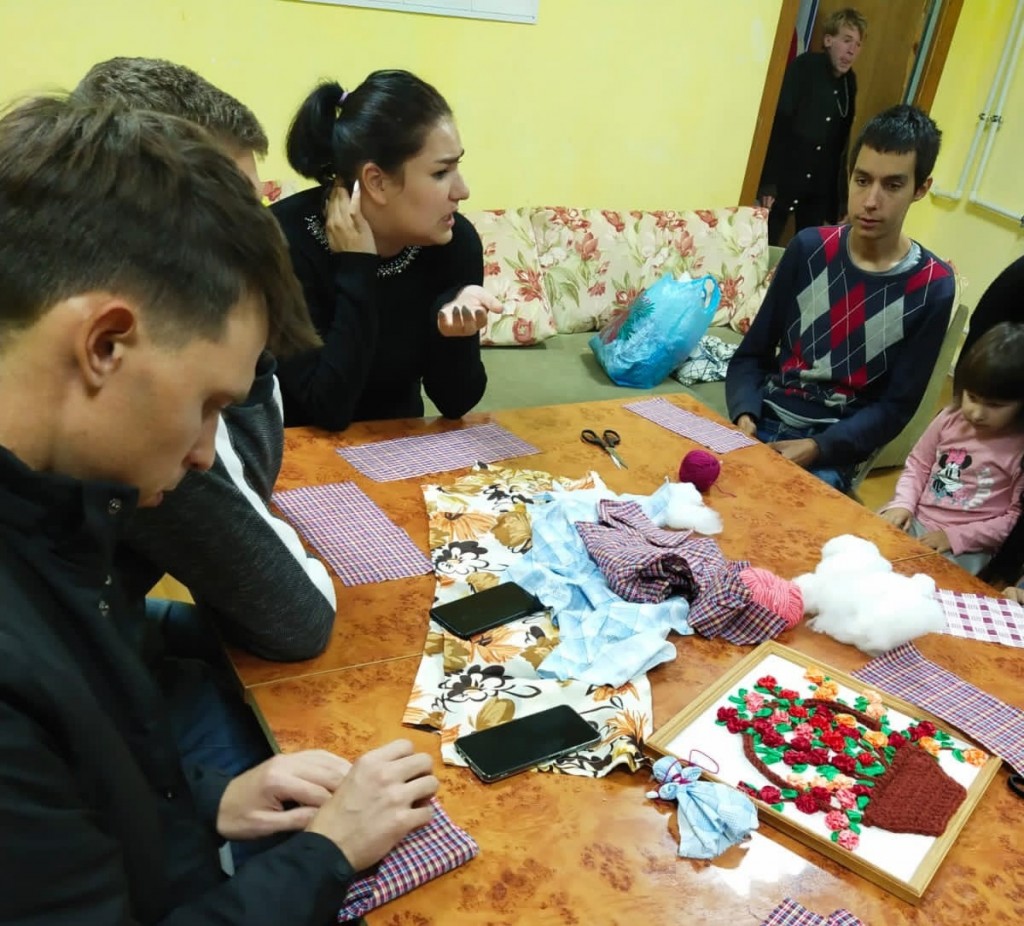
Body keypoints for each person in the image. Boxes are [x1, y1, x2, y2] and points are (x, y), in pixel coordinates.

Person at [0, 97, 437, 924]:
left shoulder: (56, 516)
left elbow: (89, 769)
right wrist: (325, 854)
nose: (207, 452)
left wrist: (208, 797)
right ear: (104, 345)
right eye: (207, 404)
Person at [73, 57, 338, 664]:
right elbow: (293, 619)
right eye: (226, 219)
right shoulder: (132, 405)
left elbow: (247, 478)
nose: (257, 242)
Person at [727, 104, 957, 493]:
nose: (870, 200)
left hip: (832, 450)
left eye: (893, 185)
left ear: (921, 189)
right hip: (760, 422)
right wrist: (743, 414)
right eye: (862, 180)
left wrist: (817, 448)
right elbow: (751, 356)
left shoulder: (932, 286)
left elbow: (896, 407)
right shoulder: (808, 248)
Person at [271, 70, 502, 431]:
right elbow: (327, 409)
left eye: (457, 166)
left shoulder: (454, 242)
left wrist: (454, 333)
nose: (462, 190)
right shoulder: (284, 242)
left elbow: (457, 402)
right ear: (376, 181)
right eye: (441, 173)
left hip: (400, 447)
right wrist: (357, 266)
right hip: (300, 450)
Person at [878, 323, 1024, 574]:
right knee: (860, 548)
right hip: (914, 515)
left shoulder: (1019, 448)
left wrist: (954, 537)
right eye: (972, 398)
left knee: (929, 587)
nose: (976, 413)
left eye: (994, 405)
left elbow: (1015, 518)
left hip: (967, 544)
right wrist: (902, 504)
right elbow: (919, 464)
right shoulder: (949, 418)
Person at [759, 7, 867, 245]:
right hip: (785, 178)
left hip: (818, 189)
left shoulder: (849, 83)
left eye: (857, 44)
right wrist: (768, 182)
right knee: (765, 245)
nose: (851, 50)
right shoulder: (805, 67)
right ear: (828, 40)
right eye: (846, 40)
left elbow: (841, 146)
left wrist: (840, 201)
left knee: (810, 252)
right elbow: (780, 125)